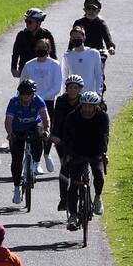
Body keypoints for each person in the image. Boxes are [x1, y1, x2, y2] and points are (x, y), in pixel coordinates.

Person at [60, 90, 109, 229]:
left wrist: (102, 153)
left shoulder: (102, 117)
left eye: (90, 106)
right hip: (77, 150)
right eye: (85, 106)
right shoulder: (72, 117)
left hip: (95, 150)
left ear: (96, 106)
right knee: (74, 184)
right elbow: (67, 137)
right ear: (81, 105)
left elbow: (104, 136)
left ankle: (98, 198)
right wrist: (68, 154)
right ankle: (73, 216)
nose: (87, 109)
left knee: (98, 174)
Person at [18, 38, 62, 172]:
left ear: (49, 49)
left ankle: (47, 154)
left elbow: (57, 86)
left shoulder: (54, 65)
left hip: (47, 102)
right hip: (30, 102)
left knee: (46, 131)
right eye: (38, 47)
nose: (40, 49)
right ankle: (34, 161)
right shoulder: (29, 65)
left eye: (44, 47)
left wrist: (41, 97)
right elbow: (22, 83)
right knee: (33, 131)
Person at [5, 79, 50, 205]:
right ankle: (16, 189)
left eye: (28, 93)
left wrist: (47, 129)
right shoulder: (14, 102)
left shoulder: (38, 100)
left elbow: (45, 116)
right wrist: (10, 133)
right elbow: (8, 120)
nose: (25, 96)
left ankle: (36, 163)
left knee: (39, 136)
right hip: (17, 130)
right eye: (23, 93)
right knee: (17, 159)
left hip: (33, 126)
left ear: (33, 94)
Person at [49, 75, 85, 210]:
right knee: (65, 166)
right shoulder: (61, 101)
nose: (73, 90)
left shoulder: (84, 101)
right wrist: (54, 136)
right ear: (66, 88)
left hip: (80, 138)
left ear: (80, 89)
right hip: (63, 138)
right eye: (70, 87)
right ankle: (64, 198)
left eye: (76, 88)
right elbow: (57, 119)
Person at [10, 8, 57, 78]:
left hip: (42, 70)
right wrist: (13, 68)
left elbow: (52, 54)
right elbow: (16, 53)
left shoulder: (47, 35)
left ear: (39, 23)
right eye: (26, 21)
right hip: (25, 69)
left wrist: (55, 69)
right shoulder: (21, 35)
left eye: (30, 22)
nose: (27, 24)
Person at [62, 25, 104, 99]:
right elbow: (64, 76)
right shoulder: (67, 56)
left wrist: (98, 92)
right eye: (74, 38)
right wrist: (63, 93)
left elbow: (98, 75)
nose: (76, 39)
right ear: (71, 39)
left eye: (78, 37)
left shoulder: (94, 53)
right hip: (73, 96)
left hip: (90, 95)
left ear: (84, 38)